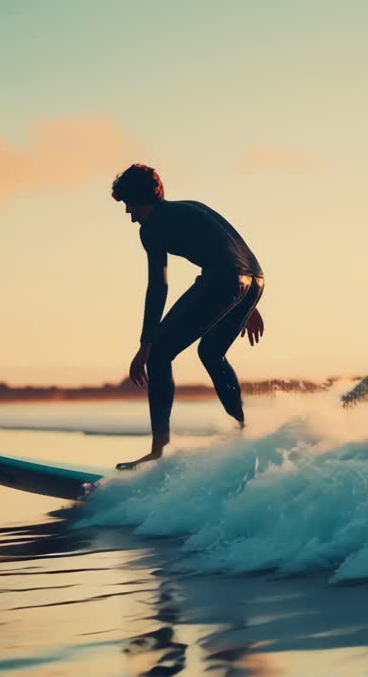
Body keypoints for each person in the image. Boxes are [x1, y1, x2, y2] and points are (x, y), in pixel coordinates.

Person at [111, 164, 265, 469]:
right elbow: (233, 250)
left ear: (140, 199)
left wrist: (145, 344)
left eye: (130, 205)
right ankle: (243, 433)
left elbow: (158, 286)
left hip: (226, 280)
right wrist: (247, 301)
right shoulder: (192, 206)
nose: (130, 214)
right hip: (254, 279)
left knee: (159, 354)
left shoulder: (151, 228)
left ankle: (158, 452)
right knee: (211, 352)